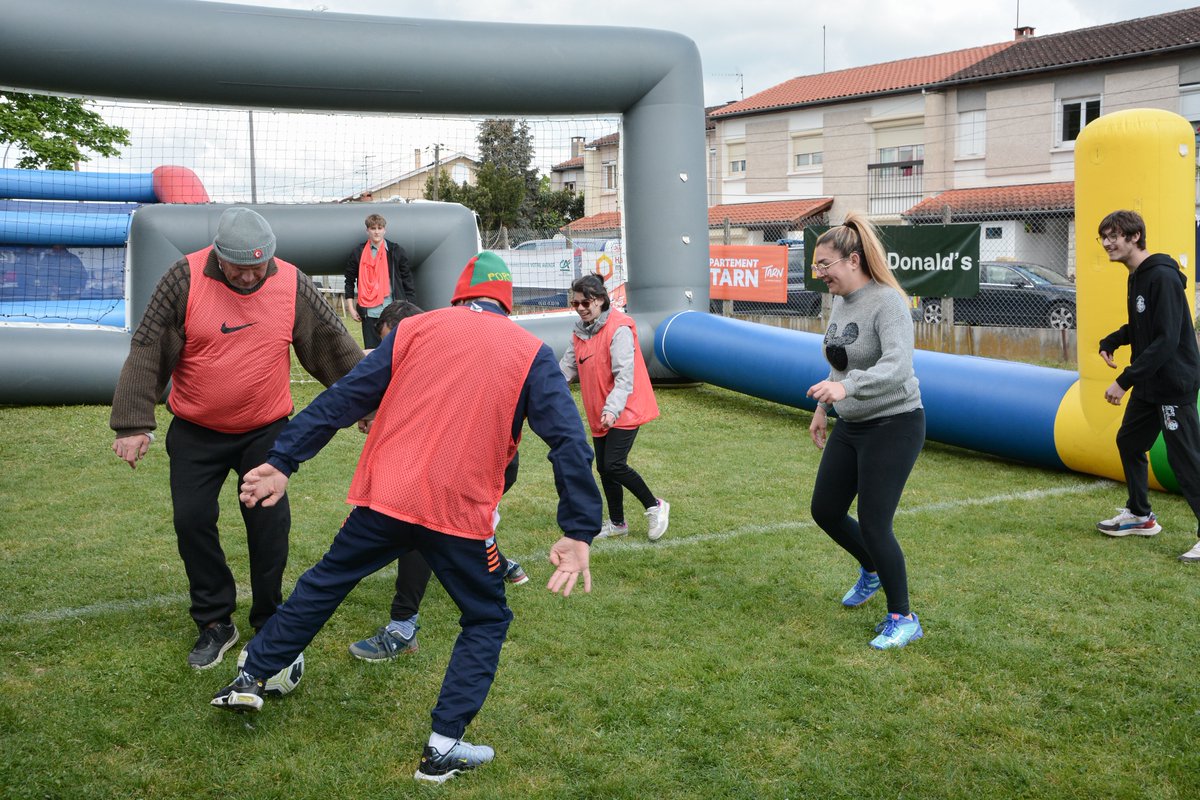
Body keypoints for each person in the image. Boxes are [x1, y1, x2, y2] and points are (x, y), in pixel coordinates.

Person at [209, 252, 603, 785]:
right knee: (486, 618)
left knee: (327, 580)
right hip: (457, 511)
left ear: (459, 295)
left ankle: (251, 675)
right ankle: (442, 749)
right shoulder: (529, 350)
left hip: (386, 496)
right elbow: (569, 443)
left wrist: (283, 461)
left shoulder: (417, 328)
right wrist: (578, 529)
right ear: (507, 304)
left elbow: (345, 396)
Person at [110, 207, 364, 670]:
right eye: (240, 267)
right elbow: (149, 347)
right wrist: (132, 423)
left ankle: (269, 619)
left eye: (259, 266)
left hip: (265, 431)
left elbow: (331, 343)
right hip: (196, 430)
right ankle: (215, 622)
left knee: (269, 526)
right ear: (217, 258)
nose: (250, 276)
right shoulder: (183, 277)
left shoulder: (290, 282)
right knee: (192, 522)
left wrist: (366, 404)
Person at [347, 299, 529, 663]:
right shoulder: (428, 351)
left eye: (395, 341)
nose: (394, 351)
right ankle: (504, 564)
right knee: (446, 526)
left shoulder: (451, 357)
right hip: (459, 467)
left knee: (417, 528)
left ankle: (403, 626)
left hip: (480, 468)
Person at [805, 213, 925, 650]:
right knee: (826, 510)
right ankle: (870, 570)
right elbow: (841, 360)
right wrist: (824, 407)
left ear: (853, 260)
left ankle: (904, 617)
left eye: (824, 265)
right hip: (852, 423)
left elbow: (898, 367)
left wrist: (845, 388)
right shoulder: (840, 301)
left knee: (876, 524)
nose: (819, 275)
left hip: (894, 424)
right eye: (815, 266)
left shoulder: (888, 302)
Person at [1094, 209, 1200, 562]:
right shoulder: (1136, 275)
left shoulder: (1162, 277)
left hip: (1173, 383)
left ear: (1135, 236)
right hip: (1151, 382)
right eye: (1104, 237)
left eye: (1114, 236)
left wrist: (1124, 381)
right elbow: (1144, 325)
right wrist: (1114, 338)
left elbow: (1167, 339)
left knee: (1186, 460)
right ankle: (1141, 515)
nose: (1107, 243)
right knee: (1129, 441)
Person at [559, 273, 669, 541]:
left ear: (599, 300)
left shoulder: (619, 328)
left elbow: (624, 375)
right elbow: (566, 368)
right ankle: (618, 523)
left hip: (625, 408)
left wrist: (612, 410)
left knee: (614, 464)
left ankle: (655, 506)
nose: (581, 308)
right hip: (600, 411)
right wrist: (543, 390)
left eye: (586, 303)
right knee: (604, 469)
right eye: (576, 304)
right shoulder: (580, 332)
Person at [344, 213, 415, 349]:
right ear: (367, 231)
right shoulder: (358, 252)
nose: (376, 232)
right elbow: (349, 280)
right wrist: (351, 308)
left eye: (379, 228)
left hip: (392, 311)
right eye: (373, 228)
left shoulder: (396, 251)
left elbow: (408, 281)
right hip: (369, 311)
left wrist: (409, 308)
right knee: (372, 351)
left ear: (384, 230)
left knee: (394, 350)